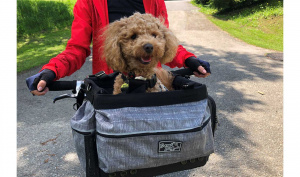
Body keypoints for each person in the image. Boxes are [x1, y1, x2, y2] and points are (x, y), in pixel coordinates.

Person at [28, 0, 211, 96]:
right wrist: (52, 70)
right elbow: (77, 48)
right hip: (109, 88)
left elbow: (161, 42)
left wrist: (188, 59)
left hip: (150, 84)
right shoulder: (88, 2)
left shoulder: (155, 1)